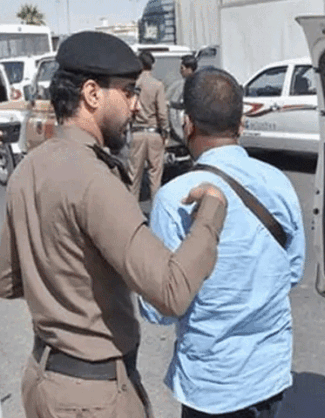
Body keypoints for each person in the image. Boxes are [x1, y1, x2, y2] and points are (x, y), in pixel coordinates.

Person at [0, 31, 228, 418]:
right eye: (127, 92)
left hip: (43, 380)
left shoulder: (28, 169)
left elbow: (7, 279)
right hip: (92, 397)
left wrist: (63, 292)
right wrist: (211, 212)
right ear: (92, 94)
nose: (135, 106)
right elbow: (171, 290)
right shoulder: (95, 181)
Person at [138, 67, 305, 418]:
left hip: (211, 383)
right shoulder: (279, 183)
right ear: (241, 123)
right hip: (269, 374)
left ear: (187, 124)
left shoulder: (173, 200)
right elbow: (293, 271)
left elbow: (160, 309)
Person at [128, 50, 169, 200]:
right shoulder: (157, 85)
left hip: (136, 132)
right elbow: (162, 113)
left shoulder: (132, 85)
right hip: (154, 133)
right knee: (155, 176)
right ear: (152, 65)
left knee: (133, 177)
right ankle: (156, 209)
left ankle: (131, 210)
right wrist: (165, 131)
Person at [166, 54, 198, 143]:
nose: (180, 71)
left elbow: (188, 105)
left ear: (189, 69)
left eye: (182, 68)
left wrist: (171, 104)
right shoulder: (194, 81)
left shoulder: (193, 84)